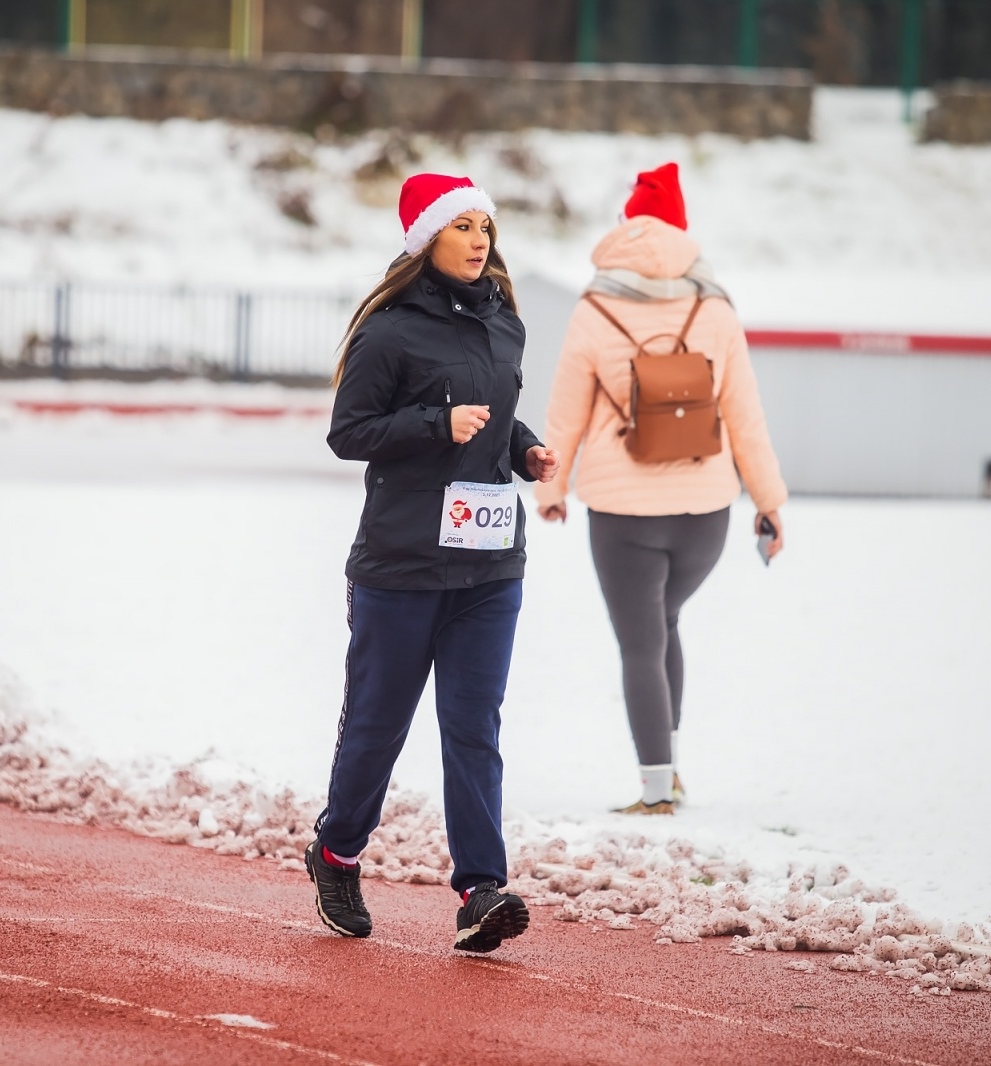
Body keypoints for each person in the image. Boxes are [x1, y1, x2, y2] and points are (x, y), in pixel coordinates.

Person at [306, 173, 560, 954]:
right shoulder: (389, 333)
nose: (480, 239)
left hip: (489, 564)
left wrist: (524, 449)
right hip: (401, 564)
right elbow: (349, 433)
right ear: (427, 240)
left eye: (486, 225)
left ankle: (482, 889)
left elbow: (499, 413)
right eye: (462, 227)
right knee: (379, 725)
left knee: (473, 728)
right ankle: (337, 853)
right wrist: (435, 424)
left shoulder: (506, 324)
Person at [534, 163, 788, 815]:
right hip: (706, 511)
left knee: (641, 643)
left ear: (625, 229)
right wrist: (768, 501)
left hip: (622, 514)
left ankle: (656, 788)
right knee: (666, 624)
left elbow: (566, 413)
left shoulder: (594, 310)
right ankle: (668, 770)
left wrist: (552, 487)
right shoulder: (716, 309)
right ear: (682, 229)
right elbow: (745, 416)